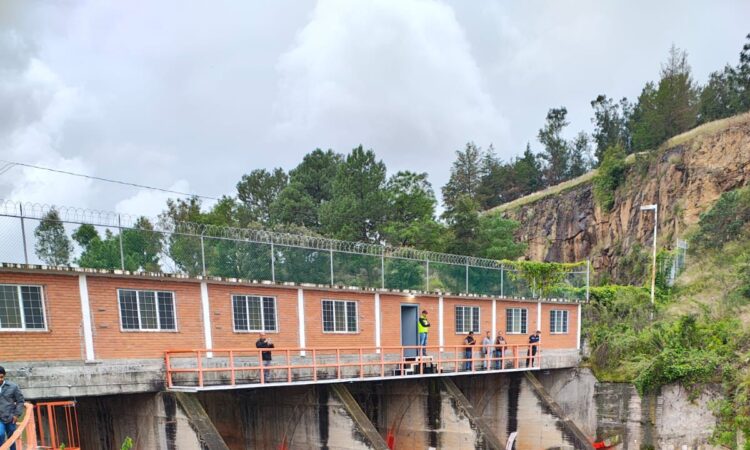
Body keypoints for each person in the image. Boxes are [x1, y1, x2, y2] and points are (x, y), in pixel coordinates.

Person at [0, 366, 24, 450]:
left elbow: (20, 401)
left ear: (4, 376)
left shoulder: (13, 387)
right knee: (0, 434)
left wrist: (16, 415)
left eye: (1, 377)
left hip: (10, 417)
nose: (0, 379)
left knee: (12, 438)